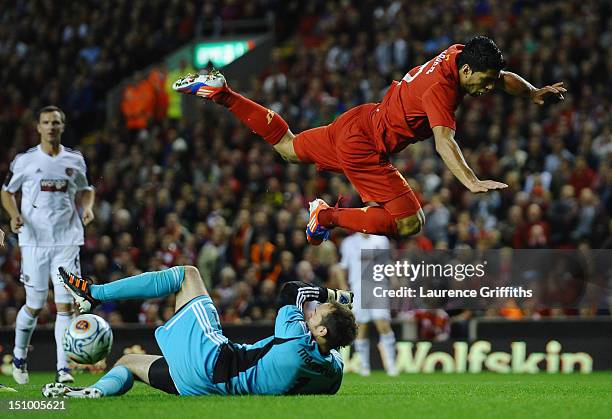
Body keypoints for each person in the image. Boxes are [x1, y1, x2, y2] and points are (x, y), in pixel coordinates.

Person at [172, 36, 566, 245]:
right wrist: (471, 180)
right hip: (366, 147)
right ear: (465, 71)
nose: (484, 90)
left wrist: (531, 92)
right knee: (410, 222)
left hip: (358, 120)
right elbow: (444, 141)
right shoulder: (441, 91)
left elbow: (502, 77)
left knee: (288, 148)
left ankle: (221, 93)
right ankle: (324, 216)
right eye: (480, 83)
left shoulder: (459, 55)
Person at [42, 265, 356, 398]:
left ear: (322, 329)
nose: (311, 311)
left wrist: (337, 297)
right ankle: (94, 391)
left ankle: (95, 293)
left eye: (317, 313)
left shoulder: (294, 339)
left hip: (213, 362)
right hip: (204, 388)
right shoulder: (334, 373)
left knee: (187, 275)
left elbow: (292, 291)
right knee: (127, 363)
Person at [1, 106, 95, 384]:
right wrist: (14, 215)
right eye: (46, 122)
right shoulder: (25, 161)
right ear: (38, 127)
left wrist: (87, 208)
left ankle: (63, 369)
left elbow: (86, 189)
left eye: (56, 122)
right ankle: (19, 355)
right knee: (35, 304)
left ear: (62, 126)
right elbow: (6, 192)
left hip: (67, 240)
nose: (51, 127)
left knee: (65, 305)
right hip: (34, 242)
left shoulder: (75, 160)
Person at [339, 233, 398, 376]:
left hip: (378, 286)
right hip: (358, 288)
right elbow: (343, 266)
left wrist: (394, 277)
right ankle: (364, 367)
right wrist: (343, 284)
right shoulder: (348, 242)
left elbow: (386, 262)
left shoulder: (381, 240)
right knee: (361, 326)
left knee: (382, 323)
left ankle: (391, 365)